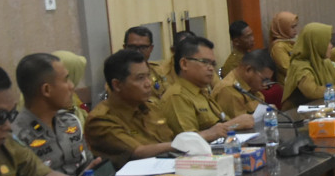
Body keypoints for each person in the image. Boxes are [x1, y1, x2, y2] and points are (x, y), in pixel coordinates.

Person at [86, 50, 232, 164]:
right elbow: (139, 152)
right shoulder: (101, 120)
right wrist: (201, 136)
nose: (148, 83)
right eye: (140, 78)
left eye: (148, 76)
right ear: (117, 85)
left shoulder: (151, 108)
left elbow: (169, 141)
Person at [11, 53, 90, 176]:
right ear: (46, 90)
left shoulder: (71, 121)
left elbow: (87, 163)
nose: (72, 86)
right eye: (65, 79)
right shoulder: (16, 137)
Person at [158, 36, 254, 136]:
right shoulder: (177, 96)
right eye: (205, 62)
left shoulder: (202, 91)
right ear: (184, 64)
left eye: (213, 64)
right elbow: (189, 141)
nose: (211, 68)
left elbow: (220, 121)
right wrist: (234, 124)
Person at [281, 23, 335, 110]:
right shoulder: (299, 66)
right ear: (316, 44)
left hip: (323, 110)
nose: (331, 46)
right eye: (327, 42)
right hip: (298, 116)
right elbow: (313, 92)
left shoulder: (325, 61)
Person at [211, 49, 274, 120]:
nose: (265, 85)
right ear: (248, 70)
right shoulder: (228, 90)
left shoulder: (250, 86)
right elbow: (240, 126)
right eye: (264, 80)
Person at [122, 26, 167, 96]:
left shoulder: (157, 71)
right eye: (132, 47)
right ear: (124, 48)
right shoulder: (119, 76)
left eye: (143, 47)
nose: (137, 52)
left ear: (151, 48)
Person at [267, 11, 299, 81]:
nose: (295, 31)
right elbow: (288, 69)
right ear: (283, 27)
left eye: (295, 26)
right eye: (292, 27)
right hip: (288, 85)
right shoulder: (278, 47)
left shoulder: (293, 41)